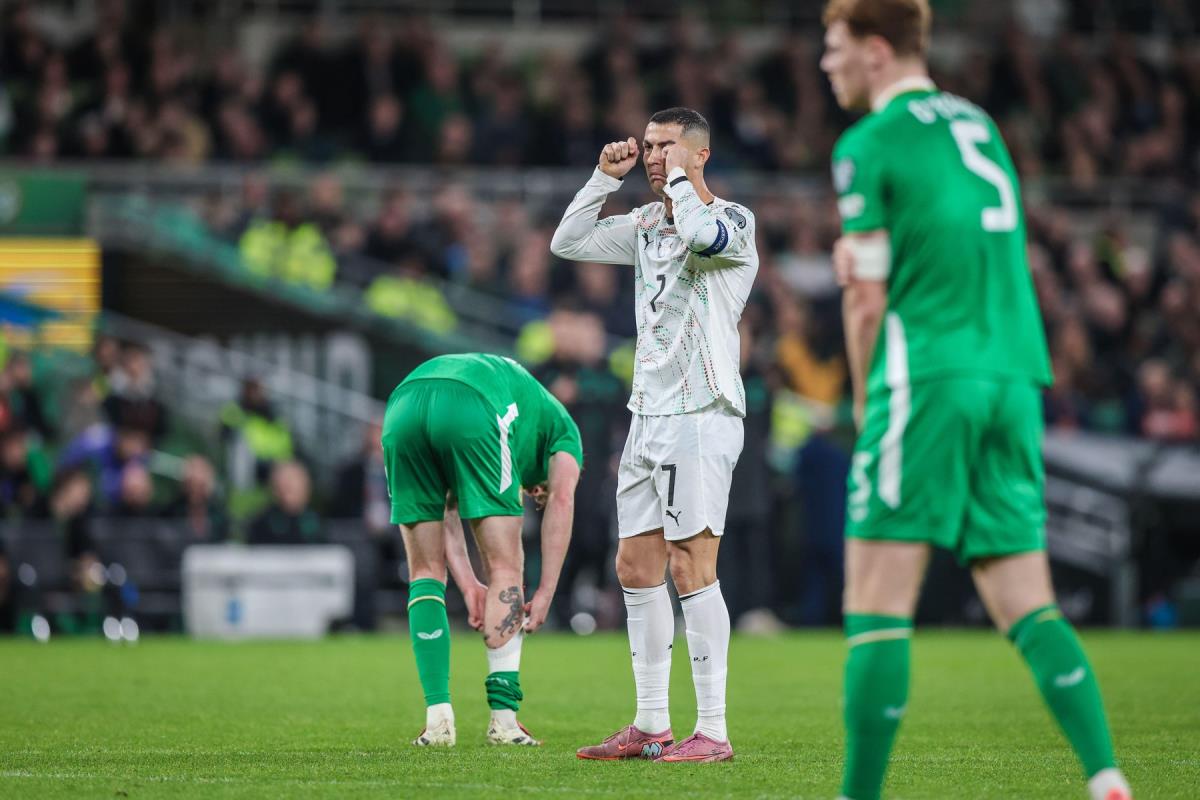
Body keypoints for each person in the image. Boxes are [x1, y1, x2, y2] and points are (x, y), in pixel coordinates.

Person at [819, 3, 1131, 799]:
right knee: (1028, 601)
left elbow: (865, 301)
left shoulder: (868, 143)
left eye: (834, 47)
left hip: (928, 375)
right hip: (1013, 377)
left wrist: (867, 401)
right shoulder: (980, 125)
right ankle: (1105, 776)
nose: (826, 63)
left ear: (875, 51)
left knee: (877, 604)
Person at [551, 107, 759, 762]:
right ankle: (650, 724)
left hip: (701, 413)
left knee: (692, 564)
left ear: (701, 154)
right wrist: (602, 179)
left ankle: (714, 732)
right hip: (647, 414)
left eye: (668, 146)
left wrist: (676, 184)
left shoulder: (734, 222)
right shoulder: (644, 225)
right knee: (635, 567)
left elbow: (698, 233)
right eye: (648, 145)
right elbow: (568, 242)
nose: (653, 155)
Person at [381, 352, 582, 748]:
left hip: (402, 404)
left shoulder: (525, 402)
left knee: (424, 572)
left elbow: (447, 506)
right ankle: (505, 723)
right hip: (474, 405)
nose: (533, 494)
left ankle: (437, 721)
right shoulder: (564, 430)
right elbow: (562, 499)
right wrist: (545, 592)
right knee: (506, 567)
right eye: (534, 493)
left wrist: (469, 583)